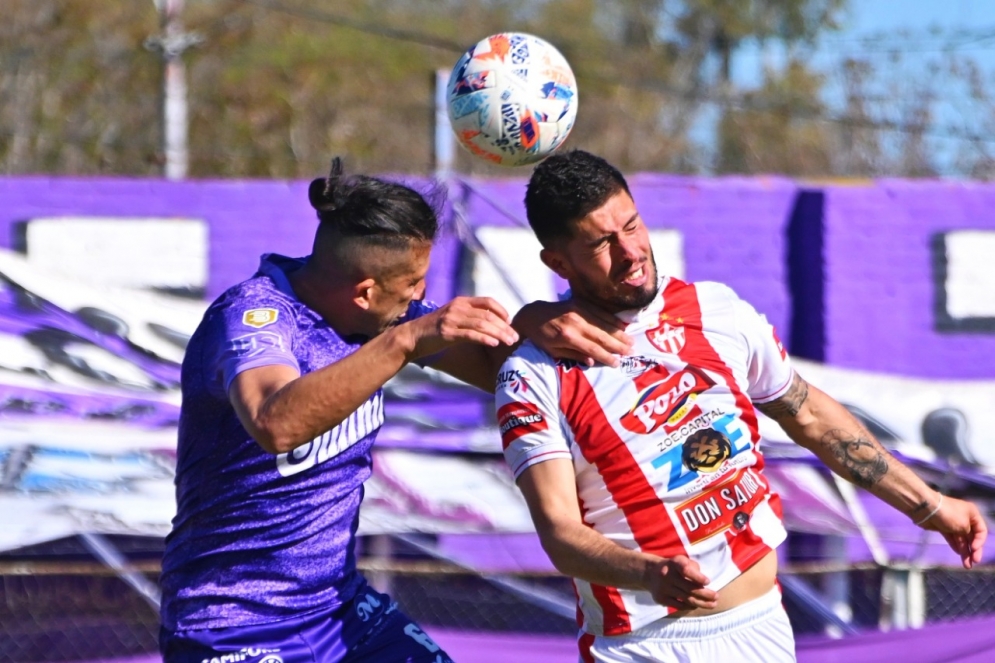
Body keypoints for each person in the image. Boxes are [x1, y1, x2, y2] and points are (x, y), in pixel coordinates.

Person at [494, 149, 988, 663]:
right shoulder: (533, 373)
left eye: (633, 225)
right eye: (601, 243)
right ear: (558, 262)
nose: (630, 252)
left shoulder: (717, 310)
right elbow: (560, 532)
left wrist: (928, 504)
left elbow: (811, 416)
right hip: (642, 647)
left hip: (760, 629)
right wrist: (650, 573)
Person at [158, 158, 630, 663]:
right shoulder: (254, 317)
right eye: (413, 286)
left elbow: (507, 369)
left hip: (340, 612)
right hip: (230, 624)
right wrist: (404, 341)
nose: (421, 298)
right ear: (364, 293)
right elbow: (275, 422)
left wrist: (536, 321)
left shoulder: (387, 317)